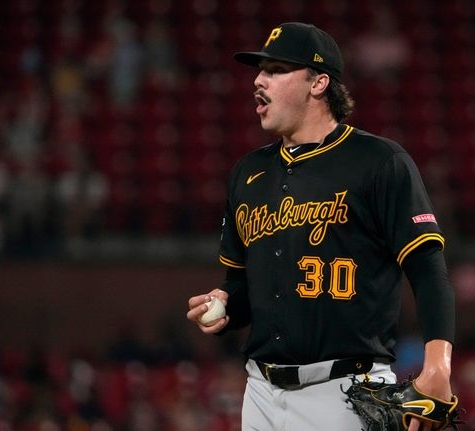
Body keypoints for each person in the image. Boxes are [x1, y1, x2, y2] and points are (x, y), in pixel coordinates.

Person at [186, 22, 456, 430]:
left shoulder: (379, 161)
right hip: (260, 392)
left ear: (319, 83)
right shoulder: (248, 173)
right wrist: (224, 302)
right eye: (260, 70)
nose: (258, 80)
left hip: (346, 391)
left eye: (276, 70)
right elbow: (243, 287)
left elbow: (428, 270)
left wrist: (437, 365)